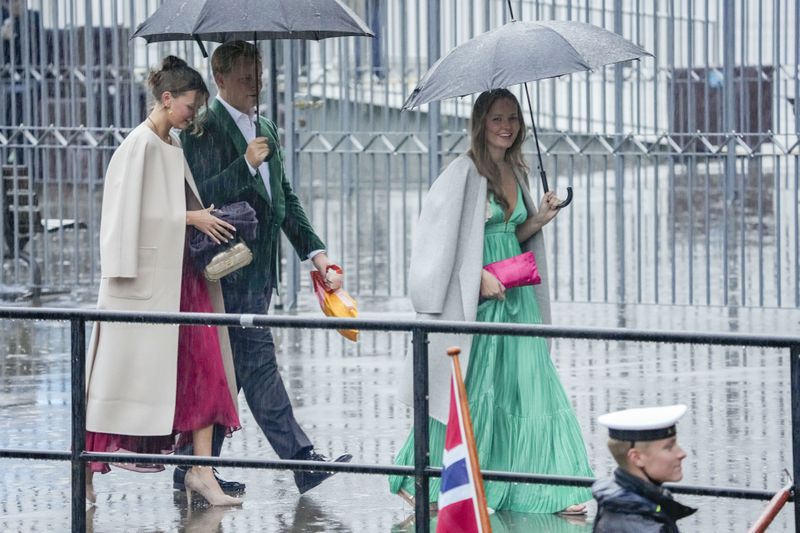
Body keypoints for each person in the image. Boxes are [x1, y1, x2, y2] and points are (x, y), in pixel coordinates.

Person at [389, 89, 593, 514]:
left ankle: (552, 488)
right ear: (481, 122)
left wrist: (539, 218)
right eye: (498, 117)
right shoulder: (462, 172)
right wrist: (475, 276)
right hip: (477, 302)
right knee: (475, 391)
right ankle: (415, 476)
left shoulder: (516, 170)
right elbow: (437, 246)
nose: (507, 126)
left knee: (531, 387)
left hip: (517, 297)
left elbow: (508, 236)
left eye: (514, 118)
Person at [179, 40, 352, 495]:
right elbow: (200, 194)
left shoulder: (267, 128)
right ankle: (302, 460)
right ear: (219, 78)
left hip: (261, 274)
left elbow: (284, 201)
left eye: (258, 74)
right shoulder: (203, 128)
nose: (255, 83)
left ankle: (190, 464)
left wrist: (317, 254)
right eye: (244, 76)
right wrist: (245, 163)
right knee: (257, 367)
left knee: (232, 373)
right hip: (226, 271)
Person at [84, 56, 242, 507]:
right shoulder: (139, 145)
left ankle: (202, 473)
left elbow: (161, 210)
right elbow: (121, 221)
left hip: (180, 281)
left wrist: (196, 216)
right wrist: (189, 216)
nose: (193, 115)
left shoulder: (168, 143)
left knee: (208, 374)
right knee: (114, 386)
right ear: (167, 98)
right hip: (146, 287)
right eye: (190, 106)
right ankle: (86, 473)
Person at [592, 404, 697, 532]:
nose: (681, 453)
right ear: (637, 458)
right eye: (669, 447)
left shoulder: (619, 504)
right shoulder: (644, 525)